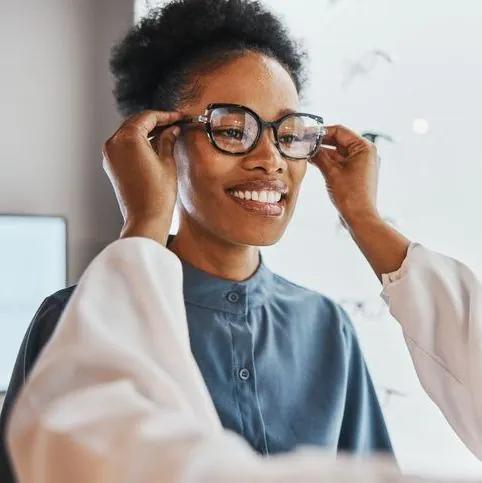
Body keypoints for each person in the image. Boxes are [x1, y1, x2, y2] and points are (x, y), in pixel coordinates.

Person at [1, 0, 481, 481]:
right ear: (160, 141)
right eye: (233, 130)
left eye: (289, 133)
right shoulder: (74, 319)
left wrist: (365, 217)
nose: (270, 160)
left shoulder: (326, 326)